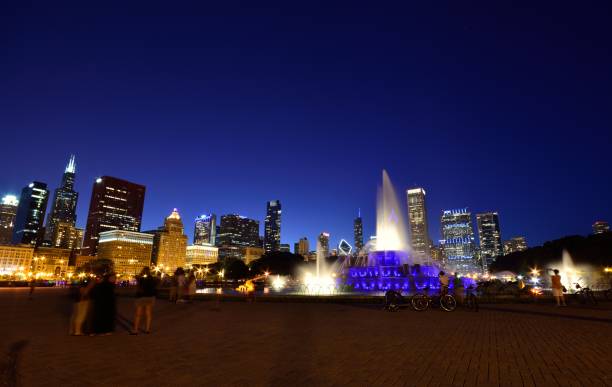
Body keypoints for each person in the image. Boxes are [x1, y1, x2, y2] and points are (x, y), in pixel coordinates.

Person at [131, 267, 158, 335]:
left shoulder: (140, 278)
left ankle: (135, 330)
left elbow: (138, 286)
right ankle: (147, 330)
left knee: (138, 314)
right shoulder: (152, 278)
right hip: (150, 297)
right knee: (148, 313)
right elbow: (155, 285)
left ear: (142, 271)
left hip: (141, 297)